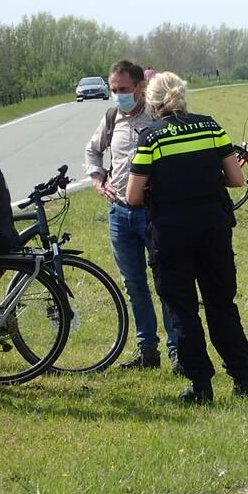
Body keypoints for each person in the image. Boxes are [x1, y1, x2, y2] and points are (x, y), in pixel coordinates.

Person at [126, 72, 248, 404]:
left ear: (152, 102)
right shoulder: (210, 127)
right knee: (221, 303)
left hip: (171, 234)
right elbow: (237, 179)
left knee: (182, 309)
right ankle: (241, 377)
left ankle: (201, 386)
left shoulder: (151, 138)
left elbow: (133, 196)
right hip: (213, 228)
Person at [84, 59, 179, 372]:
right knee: (134, 285)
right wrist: (98, 180)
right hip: (119, 214)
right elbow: (92, 151)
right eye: (113, 89)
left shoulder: (157, 115)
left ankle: (177, 350)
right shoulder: (112, 116)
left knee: (166, 282)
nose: (118, 95)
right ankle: (147, 351)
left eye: (123, 89)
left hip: (154, 214)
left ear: (140, 86)